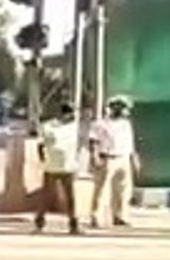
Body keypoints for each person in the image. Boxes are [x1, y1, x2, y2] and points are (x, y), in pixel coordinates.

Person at [89, 95, 139, 228]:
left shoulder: (126, 124)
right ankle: (96, 216)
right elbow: (94, 141)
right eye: (122, 107)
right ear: (114, 107)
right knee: (102, 189)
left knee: (123, 190)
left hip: (124, 158)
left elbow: (130, 142)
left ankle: (120, 216)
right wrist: (95, 156)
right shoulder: (101, 124)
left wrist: (134, 158)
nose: (125, 111)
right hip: (108, 158)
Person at [34, 103, 83, 235]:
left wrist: (77, 161)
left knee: (70, 197)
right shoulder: (48, 127)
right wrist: (43, 160)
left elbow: (79, 145)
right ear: (63, 114)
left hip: (69, 166)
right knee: (46, 197)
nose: (73, 116)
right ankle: (39, 223)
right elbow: (40, 145)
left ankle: (74, 225)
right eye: (71, 113)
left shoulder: (75, 127)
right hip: (52, 166)